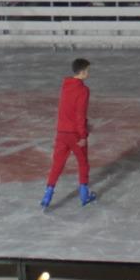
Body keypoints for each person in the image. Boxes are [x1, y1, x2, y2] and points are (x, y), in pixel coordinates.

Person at [42, 58, 97, 210]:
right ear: (83, 71)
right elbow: (79, 114)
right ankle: (84, 194)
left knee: (57, 163)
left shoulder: (65, 86)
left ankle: (48, 194)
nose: (89, 73)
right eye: (88, 70)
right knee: (83, 163)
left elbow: (67, 110)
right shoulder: (83, 90)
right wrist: (83, 135)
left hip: (61, 132)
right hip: (75, 134)